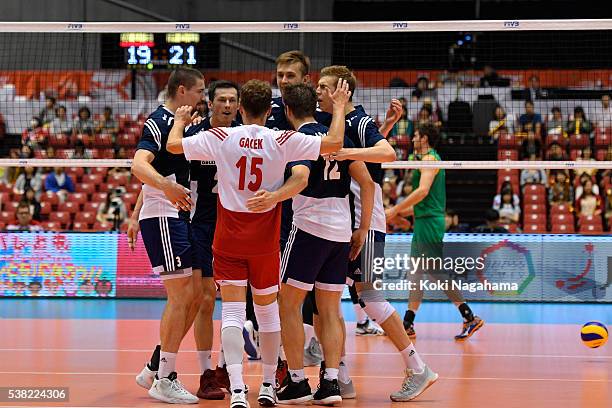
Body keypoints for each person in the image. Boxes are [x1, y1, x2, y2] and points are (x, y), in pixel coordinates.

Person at [166, 78, 350, 408]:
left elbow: (174, 147)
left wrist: (179, 122)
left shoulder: (222, 136)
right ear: (270, 110)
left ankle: (237, 389)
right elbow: (335, 141)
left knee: (234, 314)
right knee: (268, 316)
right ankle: (266, 384)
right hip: (265, 238)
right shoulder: (282, 138)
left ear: (240, 108)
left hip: (228, 237)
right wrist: (337, 108)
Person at [320, 66, 437, 402]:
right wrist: (383, 127)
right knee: (327, 298)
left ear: (341, 90)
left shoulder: (356, 119)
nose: (319, 94)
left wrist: (346, 151)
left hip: (364, 221)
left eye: (324, 88)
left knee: (368, 295)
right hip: (342, 221)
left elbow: (387, 154)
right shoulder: (340, 120)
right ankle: (338, 375)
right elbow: (368, 155)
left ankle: (417, 367)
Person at [131, 80, 243, 402]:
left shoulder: (242, 135)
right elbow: (151, 168)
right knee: (195, 298)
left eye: (231, 100)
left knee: (194, 298)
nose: (225, 105)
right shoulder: (186, 131)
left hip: (224, 223)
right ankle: (183, 374)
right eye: (217, 98)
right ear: (206, 100)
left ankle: (157, 365)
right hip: (191, 222)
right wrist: (136, 212)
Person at [275, 83, 375, 405]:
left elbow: (301, 177)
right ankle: (331, 383)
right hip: (341, 231)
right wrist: (363, 228)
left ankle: (297, 381)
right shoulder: (339, 138)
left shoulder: (297, 139)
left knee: (288, 305)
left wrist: (274, 197)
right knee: (330, 311)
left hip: (308, 229)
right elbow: (368, 184)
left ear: (288, 111)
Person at [130, 67, 205, 405]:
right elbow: (139, 165)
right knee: (180, 298)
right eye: (199, 90)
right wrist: (166, 187)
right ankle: (164, 379)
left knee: (193, 298)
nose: (202, 96)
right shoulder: (159, 121)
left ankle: (154, 367)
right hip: (163, 215)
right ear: (181, 90)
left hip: (176, 215)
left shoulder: (183, 124)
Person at [386, 123, 484, 343]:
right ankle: (408, 323)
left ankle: (470, 316)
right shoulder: (424, 161)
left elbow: (423, 192)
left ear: (425, 139)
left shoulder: (430, 159)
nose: (412, 140)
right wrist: (399, 215)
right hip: (424, 220)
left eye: (416, 136)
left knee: (435, 272)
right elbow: (424, 203)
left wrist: (394, 209)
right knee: (416, 275)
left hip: (430, 223)